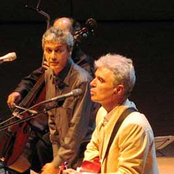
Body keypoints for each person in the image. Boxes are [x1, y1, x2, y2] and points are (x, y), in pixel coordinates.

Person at [6, 18, 96, 174]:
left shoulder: (82, 80)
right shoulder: (49, 74)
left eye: (58, 50)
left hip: (82, 148)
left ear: (69, 51)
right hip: (63, 147)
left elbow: (77, 130)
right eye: (48, 50)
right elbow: (53, 124)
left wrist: (56, 163)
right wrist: (57, 161)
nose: (52, 56)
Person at [64, 53, 159, 174]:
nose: (92, 83)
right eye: (95, 77)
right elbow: (93, 149)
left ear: (118, 90)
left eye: (101, 80)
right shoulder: (103, 112)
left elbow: (127, 172)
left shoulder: (134, 126)